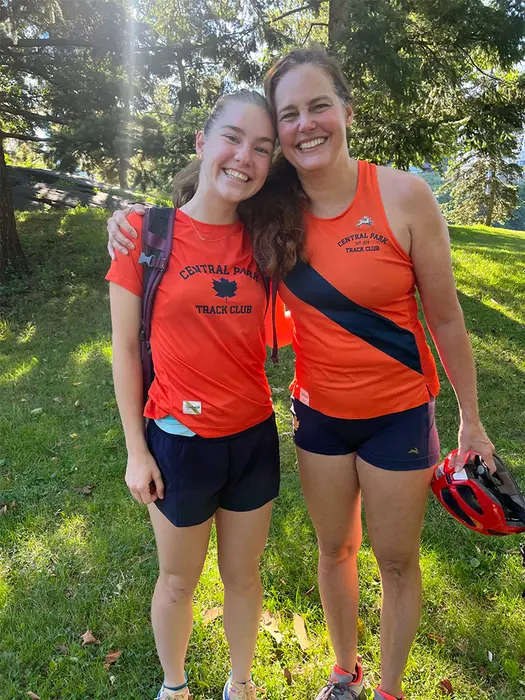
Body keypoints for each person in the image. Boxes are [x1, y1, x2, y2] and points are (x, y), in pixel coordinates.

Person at [107, 48, 495, 700]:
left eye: (318, 107)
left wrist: (471, 418)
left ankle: (383, 691)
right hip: (300, 419)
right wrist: (126, 222)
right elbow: (196, 222)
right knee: (329, 553)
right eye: (289, 114)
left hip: (381, 414)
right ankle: (335, 676)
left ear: (345, 112)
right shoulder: (247, 212)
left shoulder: (373, 201)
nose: (304, 124)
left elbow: (447, 318)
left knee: (386, 561)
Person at [106, 89, 292, 700]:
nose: (245, 157)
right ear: (201, 144)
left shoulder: (270, 241)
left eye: (262, 149)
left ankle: (241, 687)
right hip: (178, 445)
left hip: (253, 439)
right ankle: (175, 687)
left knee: (243, 578)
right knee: (179, 580)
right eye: (232, 139)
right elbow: (126, 351)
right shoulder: (144, 233)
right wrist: (137, 449)